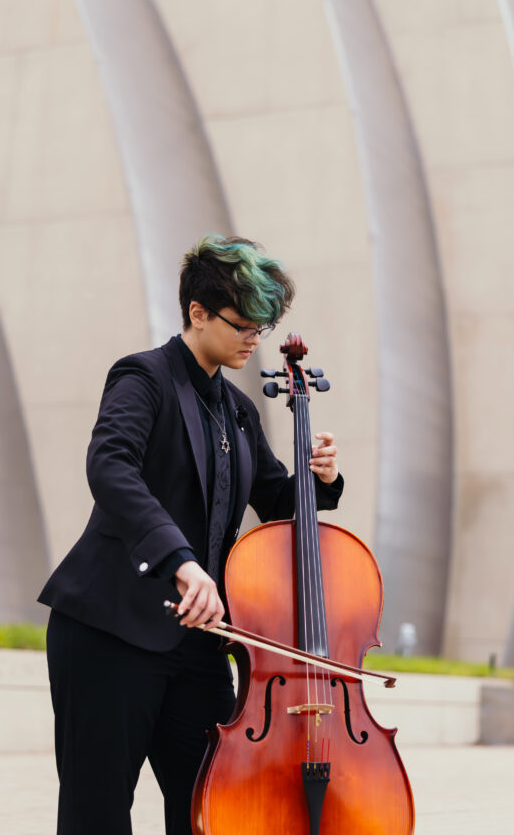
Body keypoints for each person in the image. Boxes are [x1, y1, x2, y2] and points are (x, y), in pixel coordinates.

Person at [39, 235, 344, 835]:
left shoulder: (237, 408)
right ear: (197, 313)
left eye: (262, 328)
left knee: (212, 813)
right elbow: (110, 465)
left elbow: (277, 501)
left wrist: (322, 481)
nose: (253, 340)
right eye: (242, 325)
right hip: (111, 631)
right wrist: (179, 559)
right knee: (96, 816)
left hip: (199, 648)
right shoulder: (142, 378)